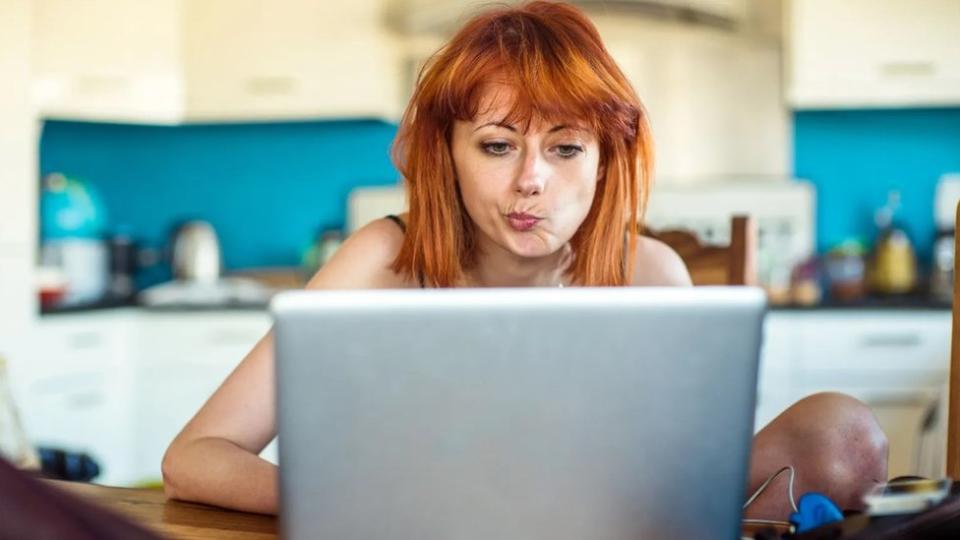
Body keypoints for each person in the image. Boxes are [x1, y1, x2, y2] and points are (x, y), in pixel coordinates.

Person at [162, 1, 887, 521]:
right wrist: (359, 503)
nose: (530, 180)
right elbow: (195, 456)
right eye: (497, 145)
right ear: (447, 153)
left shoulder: (653, 276)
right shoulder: (383, 258)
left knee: (846, 432)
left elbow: (697, 482)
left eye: (566, 148)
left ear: (607, 160)